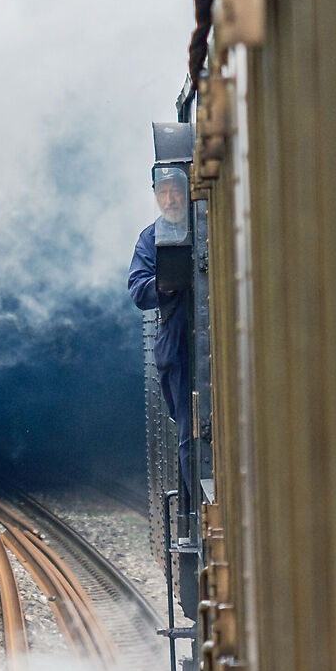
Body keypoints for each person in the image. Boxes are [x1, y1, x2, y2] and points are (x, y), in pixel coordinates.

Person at [127, 170, 193, 534]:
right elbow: (138, 289)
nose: (169, 199)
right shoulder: (151, 238)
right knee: (187, 433)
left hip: (201, 342)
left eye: (175, 192)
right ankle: (193, 514)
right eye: (163, 192)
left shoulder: (204, 225)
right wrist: (166, 283)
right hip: (177, 351)